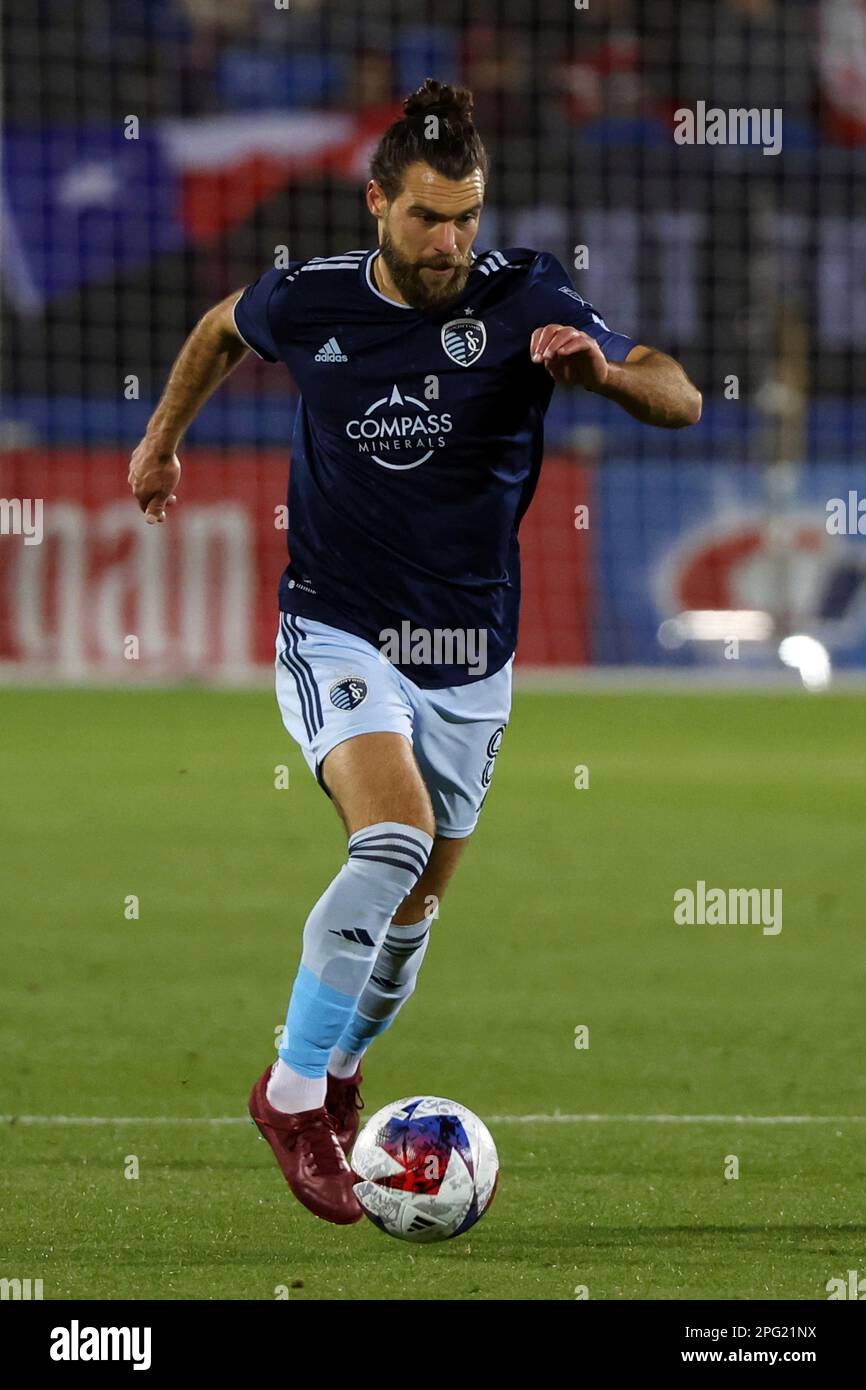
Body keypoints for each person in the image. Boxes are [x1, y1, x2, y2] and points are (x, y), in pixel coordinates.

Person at [128, 77, 701, 1226]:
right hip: (337, 623)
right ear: (375, 203)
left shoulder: (525, 290)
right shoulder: (313, 297)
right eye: (427, 217)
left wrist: (597, 375)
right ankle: (290, 1094)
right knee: (390, 834)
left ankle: (340, 1074)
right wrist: (158, 445)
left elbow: (676, 394)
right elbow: (215, 331)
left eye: (466, 216)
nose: (449, 242)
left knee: (410, 917)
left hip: (470, 651)